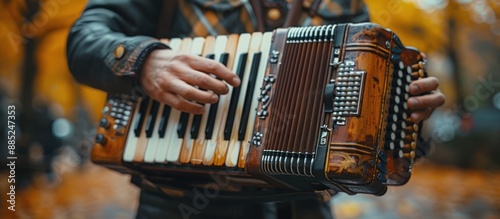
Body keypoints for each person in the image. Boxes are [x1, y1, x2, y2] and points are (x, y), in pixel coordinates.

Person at [67, 0, 446, 218]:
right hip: (179, 205)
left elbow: (365, 114)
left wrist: (400, 112)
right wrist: (145, 61)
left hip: (304, 207)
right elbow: (85, 37)